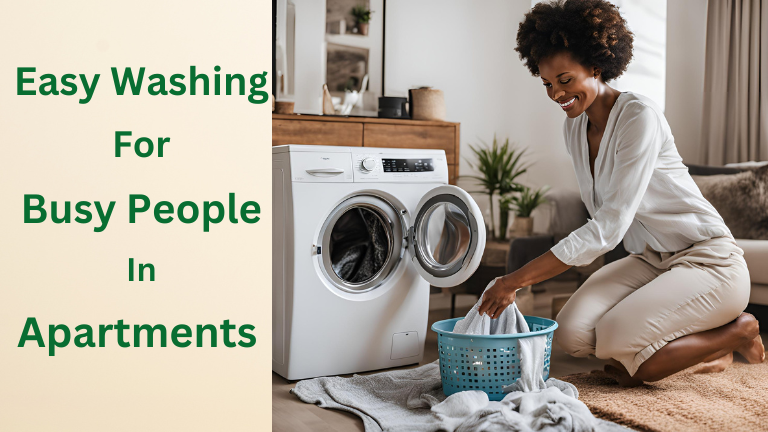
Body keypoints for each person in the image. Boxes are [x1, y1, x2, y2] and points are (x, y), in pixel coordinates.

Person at [478, 0, 764, 386]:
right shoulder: (574, 129)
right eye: (547, 83)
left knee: (621, 348)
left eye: (565, 80)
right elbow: (602, 219)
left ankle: (739, 330)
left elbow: (607, 227)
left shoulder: (638, 117)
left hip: (707, 260)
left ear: (596, 68)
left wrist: (514, 280)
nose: (556, 94)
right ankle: (707, 345)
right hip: (651, 259)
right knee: (571, 333)